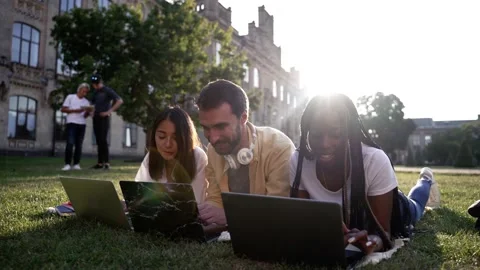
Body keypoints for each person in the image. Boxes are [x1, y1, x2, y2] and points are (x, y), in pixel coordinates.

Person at [289, 93, 441, 255]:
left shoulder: (373, 159)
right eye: (317, 135)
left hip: (396, 207)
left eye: (335, 134)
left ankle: (425, 180)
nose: (325, 143)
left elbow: (384, 234)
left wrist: (373, 243)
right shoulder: (299, 161)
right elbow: (302, 220)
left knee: (417, 208)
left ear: (349, 132)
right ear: (307, 132)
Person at [196, 79, 295, 232]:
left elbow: (278, 213)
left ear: (243, 118)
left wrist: (230, 217)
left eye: (221, 126)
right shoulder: (213, 150)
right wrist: (202, 217)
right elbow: (215, 200)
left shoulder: (279, 148)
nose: (213, 138)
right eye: (206, 128)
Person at [134, 107, 208, 203]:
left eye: (176, 138)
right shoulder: (152, 156)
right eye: (162, 137)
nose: (168, 144)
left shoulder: (197, 157)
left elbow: (196, 204)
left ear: (186, 139)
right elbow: (138, 195)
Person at [90, 74, 123, 170]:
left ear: (100, 82)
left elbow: (119, 100)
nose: (95, 86)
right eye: (94, 84)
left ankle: (107, 162)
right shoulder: (95, 93)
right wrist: (91, 111)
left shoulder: (107, 90)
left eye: (96, 84)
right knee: (98, 140)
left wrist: (109, 111)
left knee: (103, 140)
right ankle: (100, 163)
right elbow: (92, 104)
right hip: (96, 118)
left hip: (104, 118)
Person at [60, 83, 92, 171]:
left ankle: (76, 164)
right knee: (70, 143)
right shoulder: (70, 97)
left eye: (86, 92)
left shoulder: (86, 102)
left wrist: (88, 112)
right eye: (83, 91)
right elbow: (63, 109)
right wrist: (76, 110)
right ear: (79, 90)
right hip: (71, 123)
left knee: (79, 145)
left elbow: (85, 116)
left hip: (82, 124)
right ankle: (67, 164)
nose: (85, 93)